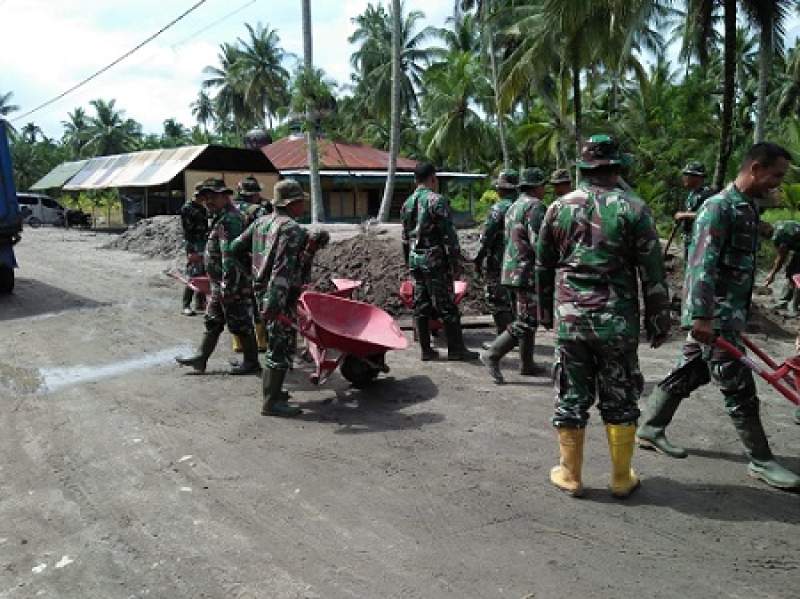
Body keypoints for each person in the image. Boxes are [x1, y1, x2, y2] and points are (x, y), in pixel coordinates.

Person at [636, 142, 800, 490]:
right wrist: (701, 317)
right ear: (755, 168)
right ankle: (761, 460)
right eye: (776, 175)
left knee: (691, 370)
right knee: (738, 387)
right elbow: (700, 266)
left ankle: (650, 427)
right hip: (715, 317)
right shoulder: (719, 208)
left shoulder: (747, 209)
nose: (777, 183)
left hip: (729, 315)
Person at [537, 134, 671, 498]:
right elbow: (653, 272)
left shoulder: (557, 208)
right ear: (616, 167)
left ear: (583, 168)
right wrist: (659, 320)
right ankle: (620, 477)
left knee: (572, 394)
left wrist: (543, 311)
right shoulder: (635, 209)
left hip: (571, 321)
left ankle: (570, 474)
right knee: (620, 395)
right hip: (617, 323)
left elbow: (543, 265)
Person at [231, 179, 309, 416]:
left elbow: (235, 248)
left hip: (262, 292)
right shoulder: (292, 229)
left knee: (277, 345)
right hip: (279, 297)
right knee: (279, 347)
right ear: (293, 203)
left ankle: (273, 392)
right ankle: (271, 403)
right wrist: (275, 302)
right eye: (301, 202)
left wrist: (254, 275)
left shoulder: (260, 223)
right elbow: (282, 270)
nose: (303, 206)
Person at [176, 178, 260, 375]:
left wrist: (228, 285)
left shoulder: (231, 219)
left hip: (232, 283)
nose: (208, 201)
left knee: (240, 323)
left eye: (213, 197)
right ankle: (201, 358)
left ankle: (252, 362)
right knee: (213, 320)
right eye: (206, 197)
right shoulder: (220, 217)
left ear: (225, 196)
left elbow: (231, 255)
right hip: (219, 283)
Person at [401, 162, 479, 362]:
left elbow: (404, 238)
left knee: (421, 304)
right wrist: (455, 262)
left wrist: (408, 262)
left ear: (415, 179)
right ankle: (456, 350)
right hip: (434, 260)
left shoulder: (407, 203)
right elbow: (449, 235)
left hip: (415, 260)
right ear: (433, 178)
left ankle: (426, 350)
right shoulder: (437, 201)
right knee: (447, 305)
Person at [481, 167, 548, 384]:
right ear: (537, 186)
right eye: (543, 185)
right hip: (526, 271)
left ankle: (526, 364)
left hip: (510, 270)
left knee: (525, 317)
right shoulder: (535, 207)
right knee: (528, 320)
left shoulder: (514, 206)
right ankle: (492, 353)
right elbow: (539, 242)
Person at [474, 170, 518, 338]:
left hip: (499, 262)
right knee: (515, 300)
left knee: (497, 299)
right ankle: (515, 336)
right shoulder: (525, 206)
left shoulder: (499, 208)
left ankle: (504, 337)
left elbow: (486, 237)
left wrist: (478, 259)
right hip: (520, 262)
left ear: (501, 189)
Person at [231, 176, 271, 353]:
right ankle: (261, 342)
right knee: (256, 300)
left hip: (231, 261)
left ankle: (238, 343)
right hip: (252, 261)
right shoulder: (259, 211)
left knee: (235, 300)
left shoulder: (230, 208)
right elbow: (265, 236)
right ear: (255, 194)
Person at [673, 161, 714, 263]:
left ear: (697, 177)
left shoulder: (707, 195)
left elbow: (710, 214)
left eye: (687, 175)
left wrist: (685, 215)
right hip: (689, 239)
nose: (684, 178)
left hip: (700, 240)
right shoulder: (692, 194)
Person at [179, 185, 209, 316]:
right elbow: (187, 232)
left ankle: (200, 303)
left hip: (203, 243)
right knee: (193, 274)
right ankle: (186, 305)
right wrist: (191, 251)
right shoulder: (187, 208)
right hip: (193, 244)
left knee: (204, 273)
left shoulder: (202, 208)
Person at [763, 220, 800, 315]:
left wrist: (772, 274)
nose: (764, 238)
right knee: (790, 270)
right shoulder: (777, 225)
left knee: (797, 276)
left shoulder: (778, 235)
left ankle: (794, 306)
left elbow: (781, 257)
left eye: (763, 235)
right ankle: (784, 300)